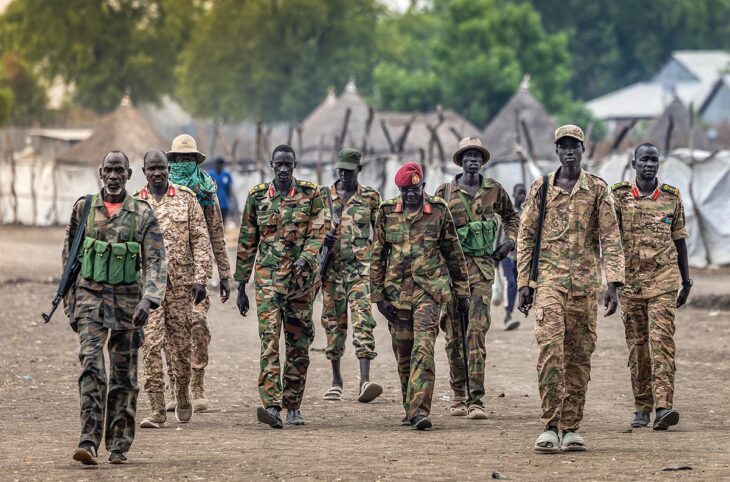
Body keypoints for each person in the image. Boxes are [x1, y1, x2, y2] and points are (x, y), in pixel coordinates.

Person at [517, 125, 624, 453]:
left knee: (579, 356)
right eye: (563, 146)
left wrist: (614, 284)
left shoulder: (597, 189)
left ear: (582, 150)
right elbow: (526, 236)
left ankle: (571, 426)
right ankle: (550, 424)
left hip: (585, 286)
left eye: (574, 146)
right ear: (556, 151)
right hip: (550, 283)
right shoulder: (542, 188)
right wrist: (524, 283)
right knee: (551, 351)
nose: (569, 151)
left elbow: (610, 235)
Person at [64, 151, 167, 465]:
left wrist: (148, 300)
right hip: (89, 301)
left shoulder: (142, 214)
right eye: (108, 170)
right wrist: (70, 304)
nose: (113, 176)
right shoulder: (83, 208)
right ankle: (88, 440)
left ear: (129, 174)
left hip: (128, 305)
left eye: (119, 170)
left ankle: (119, 444)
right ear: (100, 172)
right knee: (91, 368)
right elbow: (70, 258)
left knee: (124, 377)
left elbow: (156, 262)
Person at [371, 162, 470, 430]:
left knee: (423, 349)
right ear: (399, 190)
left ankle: (419, 411)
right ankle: (409, 405)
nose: (411, 195)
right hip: (396, 294)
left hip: (430, 290)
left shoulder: (438, 210)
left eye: (415, 189)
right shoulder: (386, 212)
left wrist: (462, 290)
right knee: (404, 352)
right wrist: (378, 296)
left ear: (422, 186)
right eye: (405, 191)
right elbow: (378, 254)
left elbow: (453, 252)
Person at [235, 144, 325, 428]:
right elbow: (247, 241)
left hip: (301, 284)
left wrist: (307, 259)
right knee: (269, 342)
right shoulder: (258, 197)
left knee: (298, 344)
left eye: (288, 164)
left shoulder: (312, 195)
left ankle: (294, 405)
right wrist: (241, 285)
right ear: (271, 164)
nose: (283, 169)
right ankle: (272, 405)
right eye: (279, 164)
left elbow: (317, 233)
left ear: (295, 164)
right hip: (268, 283)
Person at [435, 137, 519, 420]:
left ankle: (476, 399)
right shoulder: (445, 192)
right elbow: (432, 230)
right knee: (453, 335)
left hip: (483, 271)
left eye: (477, 155)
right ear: (460, 160)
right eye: (467, 155)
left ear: (483, 160)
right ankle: (458, 394)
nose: (473, 159)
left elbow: (512, 218)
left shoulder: (494, 190)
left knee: (476, 333)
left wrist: (509, 243)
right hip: (451, 275)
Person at [611, 143, 692, 431]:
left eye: (654, 160)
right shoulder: (618, 196)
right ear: (633, 164)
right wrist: (612, 283)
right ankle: (641, 407)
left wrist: (686, 279)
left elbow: (679, 239)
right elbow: (610, 242)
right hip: (631, 285)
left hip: (664, 281)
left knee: (663, 344)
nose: (649, 164)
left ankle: (663, 408)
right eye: (644, 160)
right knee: (638, 348)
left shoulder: (671, 197)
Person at [135, 149, 212, 429]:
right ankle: (156, 408)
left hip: (182, 287)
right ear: (144, 171)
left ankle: (181, 391)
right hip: (149, 293)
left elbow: (201, 240)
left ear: (168, 169)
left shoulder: (186, 199)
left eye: (161, 168)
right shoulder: (136, 204)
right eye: (151, 168)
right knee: (151, 345)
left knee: (180, 347)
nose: (157, 173)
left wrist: (202, 278)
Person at [165, 134, 231, 414]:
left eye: (188, 158)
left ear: (195, 160)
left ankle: (197, 385)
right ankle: (174, 388)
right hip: (166, 274)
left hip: (198, 274)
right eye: (179, 158)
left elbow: (217, 233)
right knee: (170, 332)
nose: (183, 163)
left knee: (197, 325)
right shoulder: (158, 189)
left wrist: (225, 274)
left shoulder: (206, 190)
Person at [319, 148, 383, 403]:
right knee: (333, 325)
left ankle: (364, 380)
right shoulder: (323, 197)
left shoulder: (370, 197)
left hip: (360, 271)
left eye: (349, 170)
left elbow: (380, 235)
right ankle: (336, 380)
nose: (344, 175)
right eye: (341, 170)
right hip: (331, 272)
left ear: (359, 170)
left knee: (363, 322)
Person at [500, 183, 526, 331]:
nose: (522, 196)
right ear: (514, 194)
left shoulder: (527, 213)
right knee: (510, 283)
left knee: (518, 285)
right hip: (507, 256)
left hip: (521, 257)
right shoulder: (507, 212)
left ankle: (511, 312)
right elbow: (499, 234)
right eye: (519, 193)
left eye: (524, 193)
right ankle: (508, 314)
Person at [208, 157, 233, 224]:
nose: (220, 166)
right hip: (213, 203)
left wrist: (229, 201)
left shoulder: (226, 174)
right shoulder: (210, 174)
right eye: (219, 164)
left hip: (224, 203)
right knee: (214, 222)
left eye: (222, 165)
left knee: (223, 222)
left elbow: (229, 188)